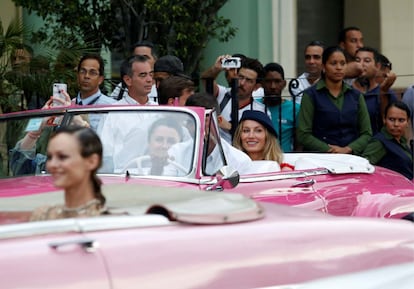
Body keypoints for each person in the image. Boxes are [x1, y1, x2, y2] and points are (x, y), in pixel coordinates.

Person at [297, 46, 372, 154]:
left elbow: (367, 133)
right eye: (333, 63)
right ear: (323, 66)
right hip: (320, 158)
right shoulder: (311, 95)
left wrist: (348, 149)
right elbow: (303, 134)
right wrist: (329, 150)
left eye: (343, 63)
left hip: (351, 158)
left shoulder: (356, 95)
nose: (339, 68)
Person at [30, 126, 107, 221]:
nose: (52, 164)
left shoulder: (110, 222)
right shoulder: (43, 216)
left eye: (62, 157)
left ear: (92, 161)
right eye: (50, 157)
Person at [181, 92, 253, 175]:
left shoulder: (239, 161)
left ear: (218, 121)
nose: (197, 127)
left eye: (204, 120)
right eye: (192, 121)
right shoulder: (177, 152)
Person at [362, 101, 413, 180]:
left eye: (401, 120)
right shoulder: (379, 142)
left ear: (407, 122)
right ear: (384, 119)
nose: (396, 124)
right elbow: (363, 167)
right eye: (392, 119)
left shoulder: (402, 142)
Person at [352, 47, 398, 134]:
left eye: (367, 61)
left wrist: (383, 93)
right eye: (357, 60)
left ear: (377, 66)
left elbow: (391, 127)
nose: (360, 64)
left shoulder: (386, 92)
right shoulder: (346, 89)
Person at [259, 62, 300, 152]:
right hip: (258, 161)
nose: (273, 86)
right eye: (268, 81)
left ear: (284, 84)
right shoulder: (254, 106)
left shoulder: (295, 109)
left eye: (277, 81)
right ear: (262, 83)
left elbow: (299, 142)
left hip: (285, 160)